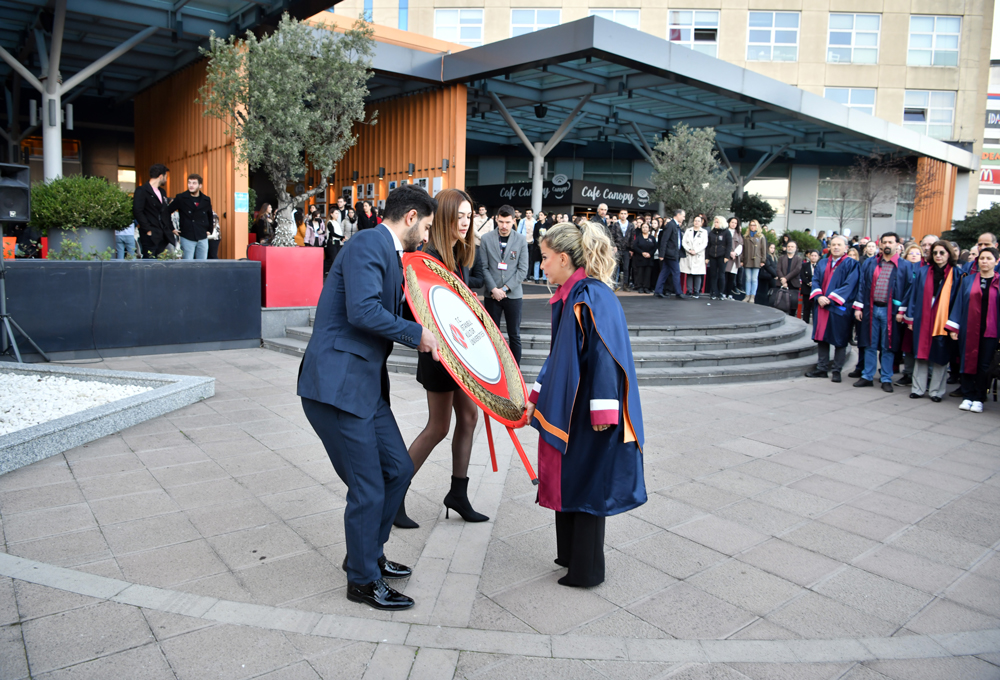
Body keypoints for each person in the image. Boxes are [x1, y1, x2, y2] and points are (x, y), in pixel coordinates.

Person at [297, 184, 439, 611]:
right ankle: (362, 580)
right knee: (368, 488)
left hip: (363, 387)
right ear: (411, 217)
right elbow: (362, 310)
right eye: (426, 227)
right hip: (338, 387)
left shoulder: (388, 252)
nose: (426, 237)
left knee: (398, 469)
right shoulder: (368, 244)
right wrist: (417, 334)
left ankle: (366, 554)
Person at [524, 221, 646, 588]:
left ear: (563, 258)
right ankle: (570, 557)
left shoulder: (591, 295)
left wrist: (605, 411)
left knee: (589, 484)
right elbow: (558, 357)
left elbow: (605, 355)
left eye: (545, 258)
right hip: (573, 407)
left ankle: (587, 570)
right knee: (571, 479)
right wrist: (535, 397)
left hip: (590, 412)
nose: (542, 265)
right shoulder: (573, 293)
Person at [395, 188, 487, 529]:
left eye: (469, 216)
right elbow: (415, 310)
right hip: (439, 355)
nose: (465, 222)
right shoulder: (427, 257)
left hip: (459, 354)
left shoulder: (457, 257)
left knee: (469, 417)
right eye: (458, 215)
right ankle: (393, 496)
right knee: (438, 427)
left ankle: (458, 493)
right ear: (444, 216)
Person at [853, 232, 911, 392]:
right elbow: (862, 285)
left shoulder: (904, 265)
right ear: (880, 244)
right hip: (871, 309)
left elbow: (908, 290)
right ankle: (867, 376)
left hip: (891, 312)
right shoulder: (871, 263)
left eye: (890, 242)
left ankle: (886, 378)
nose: (887, 245)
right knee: (870, 344)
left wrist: (901, 311)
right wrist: (858, 307)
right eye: (884, 242)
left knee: (888, 346)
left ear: (897, 245)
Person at [904, 240, 960, 402]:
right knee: (921, 353)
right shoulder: (923, 271)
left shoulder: (957, 274)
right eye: (935, 253)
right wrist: (910, 318)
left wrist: (954, 324)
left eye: (942, 252)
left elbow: (959, 300)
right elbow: (914, 295)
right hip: (923, 315)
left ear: (949, 254)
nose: (938, 256)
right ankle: (918, 389)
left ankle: (936, 391)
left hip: (944, 318)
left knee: (940, 355)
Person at [948, 247, 999, 413]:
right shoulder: (968, 280)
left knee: (984, 365)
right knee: (967, 360)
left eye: (989, 258)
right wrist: (954, 327)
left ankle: (979, 398)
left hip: (990, 330)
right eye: (982, 258)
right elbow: (959, 303)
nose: (985, 261)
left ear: (996, 261)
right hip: (969, 328)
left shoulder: (998, 282)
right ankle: (967, 395)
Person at [805, 235, 859, 382]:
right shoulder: (822, 263)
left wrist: (830, 298)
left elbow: (850, 284)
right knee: (822, 338)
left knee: (840, 339)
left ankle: (836, 370)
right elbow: (815, 280)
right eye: (833, 244)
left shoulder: (852, 264)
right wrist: (819, 296)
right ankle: (822, 369)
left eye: (839, 245)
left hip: (839, 307)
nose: (835, 247)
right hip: (822, 306)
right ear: (829, 247)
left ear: (846, 247)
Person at [481, 204, 529, 364]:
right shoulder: (486, 239)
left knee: (514, 334)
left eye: (508, 222)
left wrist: (504, 289)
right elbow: (484, 267)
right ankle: (493, 367)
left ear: (514, 220)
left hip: (513, 295)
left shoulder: (521, 240)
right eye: (501, 221)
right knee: (492, 334)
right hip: (492, 295)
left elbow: (523, 269)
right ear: (496, 219)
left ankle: (515, 370)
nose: (504, 226)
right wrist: (494, 289)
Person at [133, 163, 173, 259]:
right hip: (150, 235)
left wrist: (171, 228)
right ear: (161, 176)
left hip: (163, 234)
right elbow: (137, 211)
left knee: (166, 259)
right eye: (166, 177)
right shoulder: (142, 190)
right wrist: (148, 230)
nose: (166, 179)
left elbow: (165, 212)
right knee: (149, 261)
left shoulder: (162, 192)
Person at [654, 209, 687, 299]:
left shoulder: (675, 225)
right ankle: (678, 292)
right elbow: (664, 240)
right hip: (671, 254)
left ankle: (658, 290)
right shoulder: (670, 225)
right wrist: (662, 254)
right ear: (678, 215)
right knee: (676, 272)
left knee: (664, 272)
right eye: (683, 216)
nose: (684, 218)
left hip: (673, 253)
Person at [680, 214, 708, 298]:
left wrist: (695, 251)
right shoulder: (688, 230)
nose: (696, 222)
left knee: (697, 274)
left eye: (698, 221)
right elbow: (684, 242)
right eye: (695, 221)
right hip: (689, 254)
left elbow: (704, 244)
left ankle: (696, 291)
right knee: (689, 273)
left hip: (698, 255)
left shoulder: (704, 232)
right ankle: (689, 290)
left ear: (701, 222)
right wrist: (689, 250)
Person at [706, 216, 732, 300]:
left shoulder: (726, 232)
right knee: (713, 275)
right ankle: (713, 292)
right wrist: (707, 257)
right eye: (715, 222)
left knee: (721, 274)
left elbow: (729, 245)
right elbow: (708, 245)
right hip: (712, 255)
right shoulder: (711, 233)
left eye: (717, 222)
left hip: (722, 256)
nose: (715, 223)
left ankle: (721, 292)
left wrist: (727, 256)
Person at [741, 220, 767, 303]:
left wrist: (763, 260)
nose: (752, 227)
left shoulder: (761, 236)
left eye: (754, 225)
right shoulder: (746, 237)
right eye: (751, 225)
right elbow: (743, 249)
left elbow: (764, 249)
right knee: (748, 278)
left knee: (754, 279)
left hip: (757, 259)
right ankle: (747, 295)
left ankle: (753, 296)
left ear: (757, 226)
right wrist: (742, 259)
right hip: (747, 259)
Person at [776, 240, 803, 316]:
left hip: (793, 284)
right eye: (788, 246)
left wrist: (786, 278)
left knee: (793, 305)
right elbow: (778, 269)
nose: (790, 248)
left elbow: (797, 270)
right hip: (782, 283)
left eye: (792, 246)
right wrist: (782, 279)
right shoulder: (781, 258)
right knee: (781, 303)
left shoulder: (798, 259)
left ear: (795, 248)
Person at [630, 219, 658, 293]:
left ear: (649, 228)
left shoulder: (652, 238)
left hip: (649, 259)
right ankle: (640, 287)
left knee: (648, 274)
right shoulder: (639, 237)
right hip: (640, 258)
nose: (645, 229)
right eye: (643, 227)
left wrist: (650, 253)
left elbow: (655, 247)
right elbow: (635, 246)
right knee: (640, 273)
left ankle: (646, 287)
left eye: (646, 227)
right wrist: (642, 252)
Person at [610, 209, 634, 291]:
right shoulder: (616, 224)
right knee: (615, 267)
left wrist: (631, 249)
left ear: (627, 215)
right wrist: (613, 246)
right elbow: (612, 236)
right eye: (622, 213)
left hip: (626, 249)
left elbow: (632, 237)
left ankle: (625, 285)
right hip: (617, 248)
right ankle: (614, 285)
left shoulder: (630, 225)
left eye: (625, 214)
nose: (623, 215)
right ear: (619, 215)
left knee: (626, 268)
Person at [725, 217, 743, 300]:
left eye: (735, 223)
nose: (733, 224)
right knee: (724, 276)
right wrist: (729, 252)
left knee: (731, 277)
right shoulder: (725, 232)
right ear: (729, 222)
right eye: (732, 222)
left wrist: (735, 253)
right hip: (726, 257)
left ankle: (729, 294)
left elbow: (740, 245)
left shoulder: (738, 234)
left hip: (734, 258)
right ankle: (723, 293)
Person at [800, 249, 819, 323]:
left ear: (818, 257)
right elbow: (802, 275)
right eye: (812, 255)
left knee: (815, 308)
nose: (813, 257)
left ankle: (815, 323)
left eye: (815, 256)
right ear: (809, 256)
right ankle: (805, 322)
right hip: (806, 289)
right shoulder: (804, 265)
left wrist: (814, 283)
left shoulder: (820, 266)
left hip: (816, 290)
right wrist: (808, 283)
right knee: (806, 307)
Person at [530, 212, 550, 282]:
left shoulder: (548, 225)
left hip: (546, 246)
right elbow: (534, 235)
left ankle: (545, 278)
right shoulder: (537, 224)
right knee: (537, 262)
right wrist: (538, 243)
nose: (540, 216)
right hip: (537, 246)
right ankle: (536, 278)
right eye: (539, 215)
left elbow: (549, 235)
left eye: (541, 215)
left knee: (545, 261)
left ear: (545, 216)